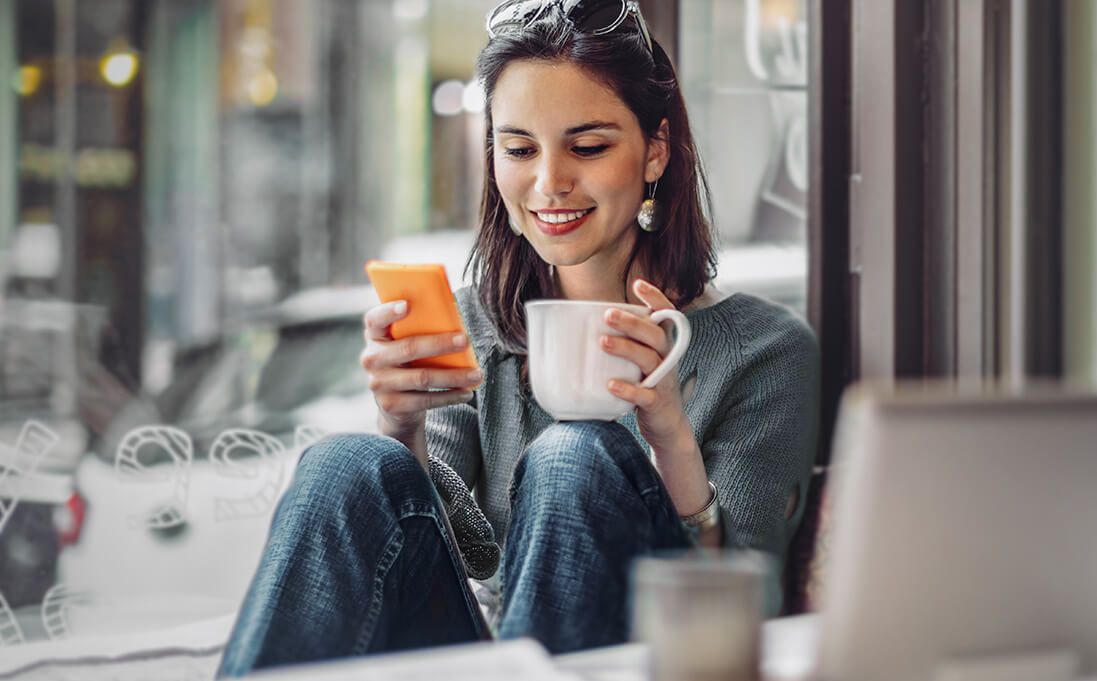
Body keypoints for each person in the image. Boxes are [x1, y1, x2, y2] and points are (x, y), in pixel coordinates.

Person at [217, 0, 818, 675]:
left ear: (656, 150)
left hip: (649, 654)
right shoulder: (479, 322)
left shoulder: (763, 350)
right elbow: (456, 547)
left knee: (576, 453)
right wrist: (401, 424)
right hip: (492, 654)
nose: (549, 182)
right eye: (519, 148)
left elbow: (741, 600)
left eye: (588, 146)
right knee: (347, 461)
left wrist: (670, 436)